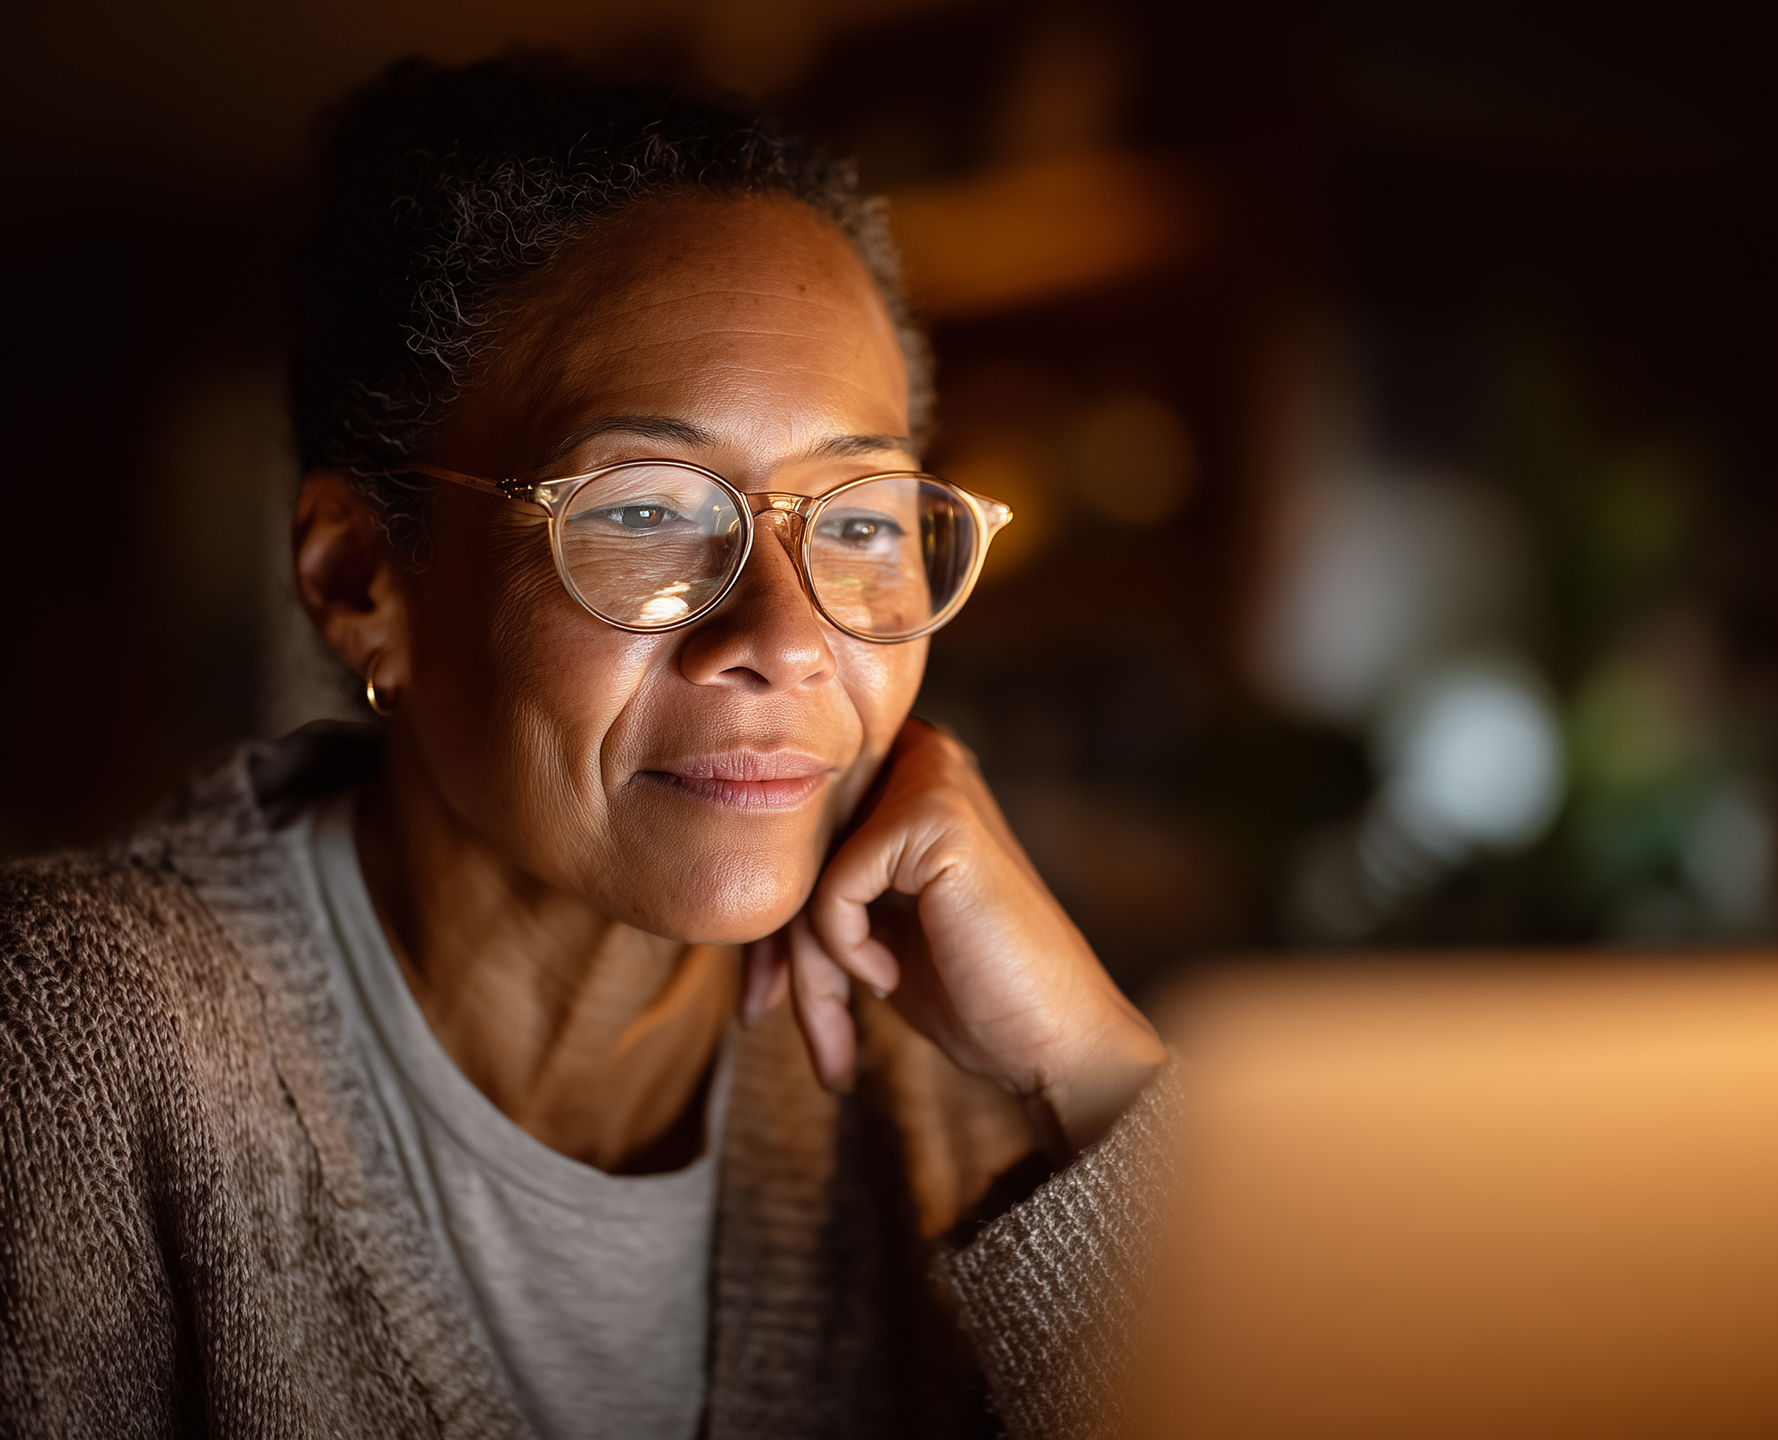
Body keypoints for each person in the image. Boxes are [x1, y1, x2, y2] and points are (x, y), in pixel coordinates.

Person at [0, 58, 1174, 1440]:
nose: (787, 640)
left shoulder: (929, 1066)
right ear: (362, 578)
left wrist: (1094, 1078)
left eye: (857, 519)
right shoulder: (77, 1048)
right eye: (647, 512)